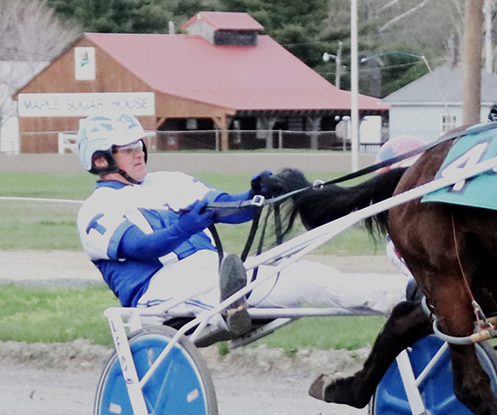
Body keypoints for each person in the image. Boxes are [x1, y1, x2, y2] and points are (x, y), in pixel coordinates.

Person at [76, 113, 409, 346]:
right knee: (226, 281)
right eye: (128, 149)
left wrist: (257, 195)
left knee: (309, 276)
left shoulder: (170, 182)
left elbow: (231, 210)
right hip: (157, 296)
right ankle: (228, 308)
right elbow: (143, 248)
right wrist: (188, 225)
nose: (139, 153)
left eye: (139, 145)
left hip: (213, 276)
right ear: (102, 159)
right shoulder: (95, 211)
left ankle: (405, 293)